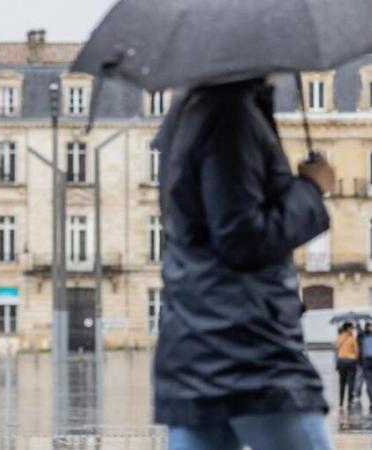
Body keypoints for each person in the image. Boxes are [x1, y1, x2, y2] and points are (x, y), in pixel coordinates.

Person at [153, 78, 335, 450]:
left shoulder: (189, 112)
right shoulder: (233, 116)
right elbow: (241, 236)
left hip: (196, 346)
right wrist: (311, 189)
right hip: (247, 350)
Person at [337, 322, 359, 408]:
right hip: (350, 360)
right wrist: (356, 359)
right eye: (351, 328)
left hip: (341, 360)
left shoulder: (340, 336)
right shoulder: (352, 338)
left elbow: (337, 347)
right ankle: (349, 401)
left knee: (341, 382)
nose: (352, 330)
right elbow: (357, 350)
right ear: (348, 329)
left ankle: (341, 402)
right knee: (351, 381)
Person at [358, 323, 372, 411]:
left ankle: (371, 400)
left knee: (369, 382)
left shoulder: (363, 338)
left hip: (366, 361)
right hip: (367, 361)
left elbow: (360, 351)